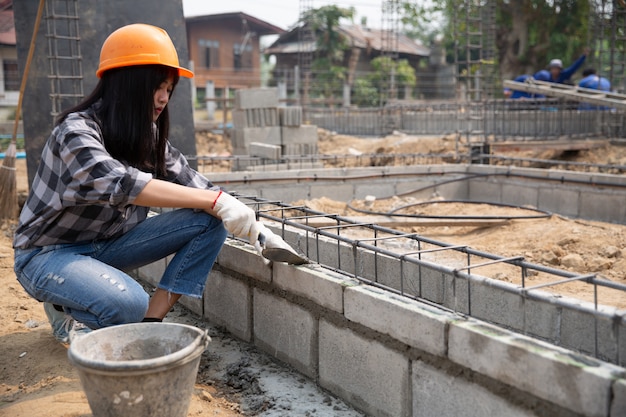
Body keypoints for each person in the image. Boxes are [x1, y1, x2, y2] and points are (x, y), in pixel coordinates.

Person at [13, 24, 262, 344]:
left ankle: (150, 322)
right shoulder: (77, 131)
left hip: (105, 246)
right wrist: (214, 201)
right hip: (47, 254)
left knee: (207, 221)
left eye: (169, 89)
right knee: (126, 304)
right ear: (125, 84)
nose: (163, 98)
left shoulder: (147, 135)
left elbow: (194, 184)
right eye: (156, 86)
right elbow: (120, 183)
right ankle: (66, 312)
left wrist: (250, 221)